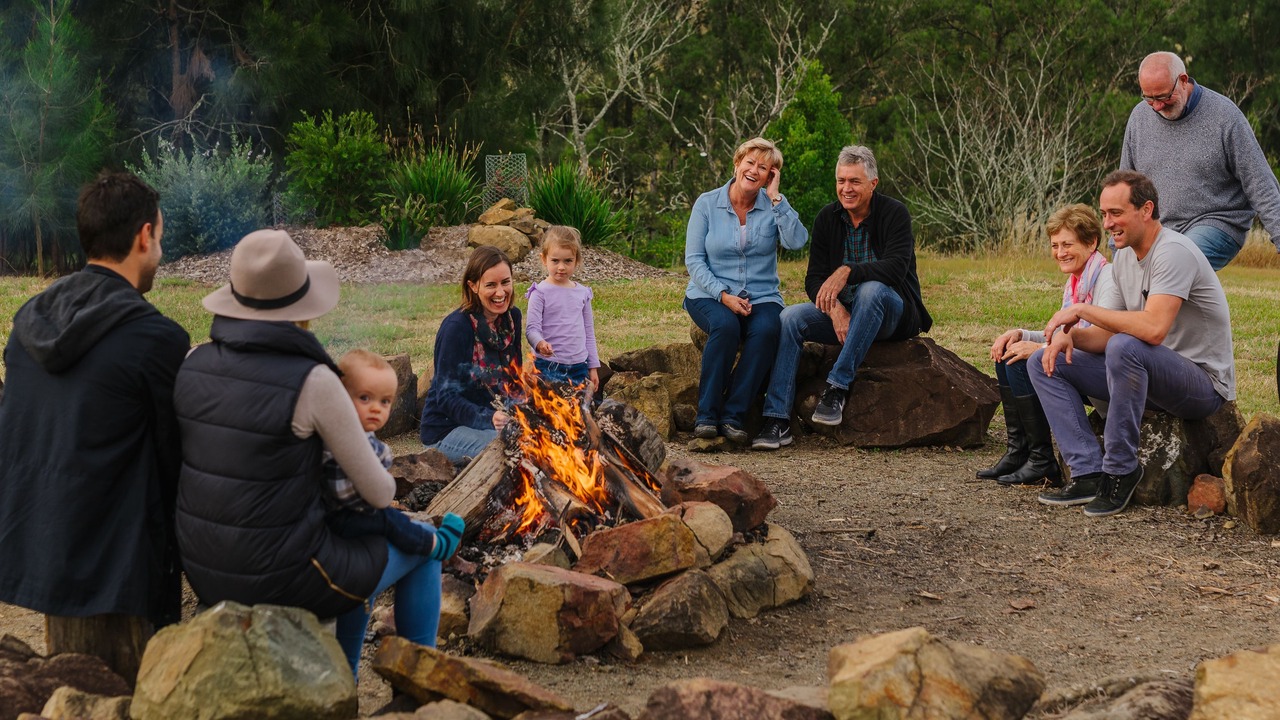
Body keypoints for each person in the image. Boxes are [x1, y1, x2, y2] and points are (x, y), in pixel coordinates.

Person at [173, 229, 460, 678]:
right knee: (423, 545)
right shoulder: (313, 381)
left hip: (205, 567)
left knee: (353, 545)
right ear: (300, 309)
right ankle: (416, 688)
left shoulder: (193, 361)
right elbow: (380, 493)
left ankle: (343, 675)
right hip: (285, 575)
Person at [0, 172, 189, 647]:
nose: (160, 252)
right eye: (160, 238)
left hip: (40, 543)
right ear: (144, 236)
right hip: (117, 569)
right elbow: (174, 460)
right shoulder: (155, 339)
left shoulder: (30, 322)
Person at [1029, 171, 1235, 517]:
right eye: (1104, 214)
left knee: (1126, 346)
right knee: (1044, 361)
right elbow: (1108, 335)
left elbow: (1153, 330)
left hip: (1201, 384)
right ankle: (1087, 473)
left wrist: (1081, 310)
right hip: (1147, 375)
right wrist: (1070, 336)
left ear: (1146, 209)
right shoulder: (1124, 257)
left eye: (1116, 213)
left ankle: (1121, 470)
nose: (1107, 223)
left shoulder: (1173, 252)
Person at [752, 145, 931, 450]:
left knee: (871, 289)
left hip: (892, 315)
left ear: (873, 184)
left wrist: (848, 271)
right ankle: (777, 419)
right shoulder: (827, 218)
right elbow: (814, 280)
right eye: (841, 181)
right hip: (846, 314)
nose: (846, 188)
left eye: (854, 181)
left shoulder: (894, 213)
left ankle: (837, 387)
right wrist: (835, 310)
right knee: (790, 317)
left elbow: (896, 268)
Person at [684, 137, 808, 443]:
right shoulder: (707, 204)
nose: (754, 170)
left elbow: (797, 241)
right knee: (726, 327)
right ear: (737, 164)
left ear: (770, 176)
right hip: (709, 293)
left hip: (762, 296)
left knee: (767, 330)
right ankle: (706, 416)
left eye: (763, 168)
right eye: (749, 162)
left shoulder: (773, 206)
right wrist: (723, 295)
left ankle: (733, 416)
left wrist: (776, 199)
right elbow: (694, 260)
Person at [980, 204, 1112, 487]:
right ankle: (1020, 451)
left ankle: (1042, 460)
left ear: (1092, 242)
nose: (1060, 252)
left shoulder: (1106, 278)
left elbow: (1100, 338)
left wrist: (1039, 350)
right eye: (1055, 245)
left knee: (1028, 360)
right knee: (1009, 352)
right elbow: (1065, 333)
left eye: (1067, 244)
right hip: (1082, 364)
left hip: (1105, 374)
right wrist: (1021, 334)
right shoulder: (1077, 282)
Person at [1119, 51, 1280, 270]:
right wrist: (1118, 248)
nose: (1157, 106)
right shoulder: (1139, 118)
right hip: (1158, 227)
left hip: (1216, 222)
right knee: (1128, 271)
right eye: (1149, 98)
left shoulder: (1225, 116)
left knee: (1174, 263)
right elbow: (1125, 187)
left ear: (1183, 80)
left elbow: (1259, 182)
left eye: (1163, 97)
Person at [323, 349, 464, 557]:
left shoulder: (345, 432)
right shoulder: (350, 440)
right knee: (391, 522)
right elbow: (381, 495)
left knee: (392, 519)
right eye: (364, 398)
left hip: (344, 514)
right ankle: (435, 545)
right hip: (342, 520)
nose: (376, 408)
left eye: (384, 401)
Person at [419, 246, 522, 464]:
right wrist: (489, 418)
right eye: (491, 285)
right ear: (473, 286)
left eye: (505, 282)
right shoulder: (457, 328)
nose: (500, 293)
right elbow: (446, 398)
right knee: (515, 448)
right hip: (447, 429)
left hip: (495, 421)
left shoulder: (512, 318)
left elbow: (515, 378)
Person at [525, 226, 600, 396]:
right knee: (549, 407)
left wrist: (593, 367)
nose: (561, 267)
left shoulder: (583, 293)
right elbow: (531, 329)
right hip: (548, 365)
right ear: (544, 259)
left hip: (579, 366)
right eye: (555, 261)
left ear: (576, 260)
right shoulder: (539, 292)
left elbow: (589, 332)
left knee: (577, 407)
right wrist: (540, 343)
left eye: (568, 261)